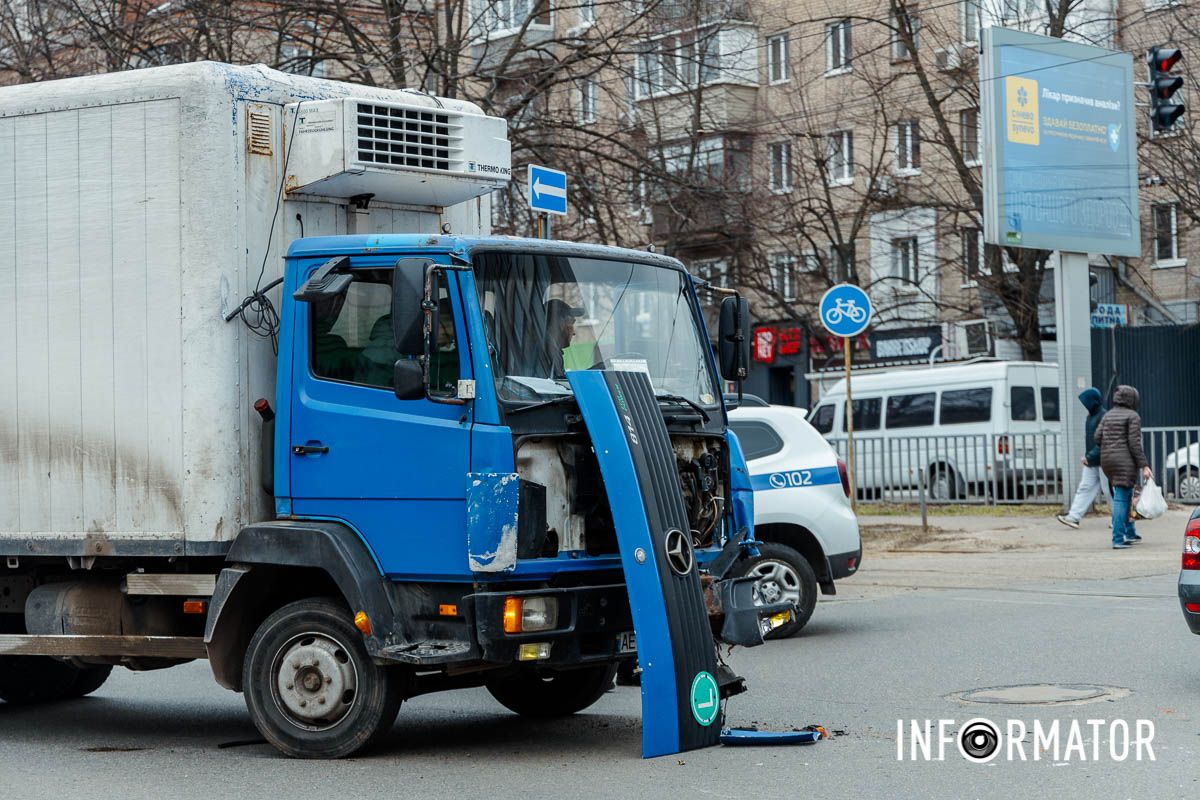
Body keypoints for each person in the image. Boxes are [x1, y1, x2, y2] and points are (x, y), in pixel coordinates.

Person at [1095, 385, 1151, 550]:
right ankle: (1118, 538)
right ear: (1132, 399)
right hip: (1124, 461)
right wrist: (1144, 465)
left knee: (1125, 496)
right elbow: (1134, 444)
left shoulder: (1107, 415)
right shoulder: (1133, 416)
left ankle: (1130, 533)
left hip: (1107, 461)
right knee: (1121, 498)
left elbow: (1097, 437)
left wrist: (1110, 446)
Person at [1056, 387, 1109, 529]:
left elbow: (1104, 442)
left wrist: (1089, 456)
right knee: (1085, 488)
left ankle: (1120, 519)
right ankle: (1073, 517)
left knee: (1109, 491)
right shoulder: (1092, 416)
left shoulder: (1103, 416)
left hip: (1103, 460)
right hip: (1093, 460)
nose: (1084, 404)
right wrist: (1089, 457)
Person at [544, 297, 583, 378]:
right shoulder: (550, 351)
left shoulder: (549, 347)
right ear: (561, 323)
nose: (574, 333)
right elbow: (558, 384)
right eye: (571, 322)